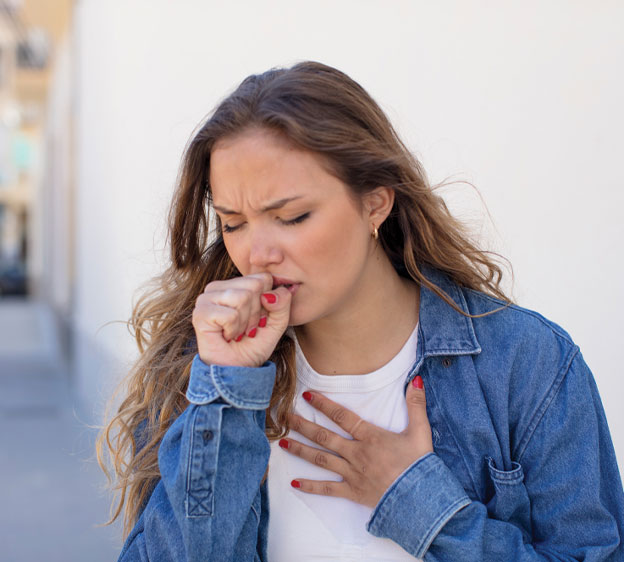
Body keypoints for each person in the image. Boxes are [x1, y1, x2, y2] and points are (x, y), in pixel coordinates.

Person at [98, 61, 624, 561]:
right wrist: (227, 392)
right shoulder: (204, 370)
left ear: (376, 203)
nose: (256, 254)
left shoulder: (525, 363)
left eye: (292, 216)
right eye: (233, 223)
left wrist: (422, 504)